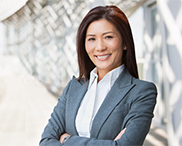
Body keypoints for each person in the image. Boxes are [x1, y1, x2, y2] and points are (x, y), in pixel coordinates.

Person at [40, 5, 157, 146]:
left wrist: (67, 140)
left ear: (125, 42)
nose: (100, 47)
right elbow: (46, 141)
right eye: (91, 39)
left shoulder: (142, 92)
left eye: (108, 37)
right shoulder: (74, 88)